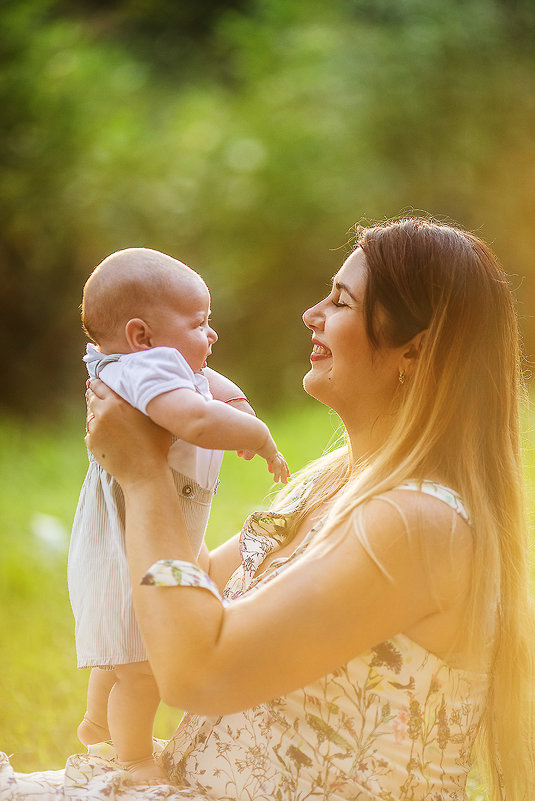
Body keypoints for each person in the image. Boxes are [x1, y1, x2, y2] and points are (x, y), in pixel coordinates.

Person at [1, 218, 534, 800]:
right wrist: (163, 455)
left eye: (341, 300)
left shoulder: (419, 523)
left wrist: (147, 479)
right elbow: (190, 590)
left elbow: (196, 671)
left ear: (415, 350)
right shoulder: (331, 483)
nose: (313, 313)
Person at [68, 247, 290, 785]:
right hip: (130, 545)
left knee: (121, 647)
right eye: (199, 323)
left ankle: (98, 719)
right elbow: (191, 417)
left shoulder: (143, 366)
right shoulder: (148, 370)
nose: (211, 335)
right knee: (142, 670)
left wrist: (234, 402)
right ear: (142, 336)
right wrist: (257, 436)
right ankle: (134, 760)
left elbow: (206, 387)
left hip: (149, 536)